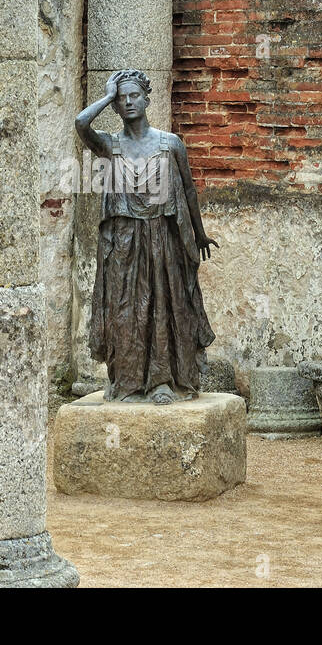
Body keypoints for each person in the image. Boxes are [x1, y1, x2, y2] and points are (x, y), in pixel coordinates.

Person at [75, 69, 218, 404]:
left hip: (162, 235)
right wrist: (107, 94)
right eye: (122, 97)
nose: (128, 102)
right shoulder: (110, 145)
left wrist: (198, 234)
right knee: (125, 309)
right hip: (123, 240)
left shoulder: (170, 144)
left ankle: (163, 381)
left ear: (147, 98)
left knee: (164, 305)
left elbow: (189, 190)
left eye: (133, 95)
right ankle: (127, 381)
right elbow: (81, 124)